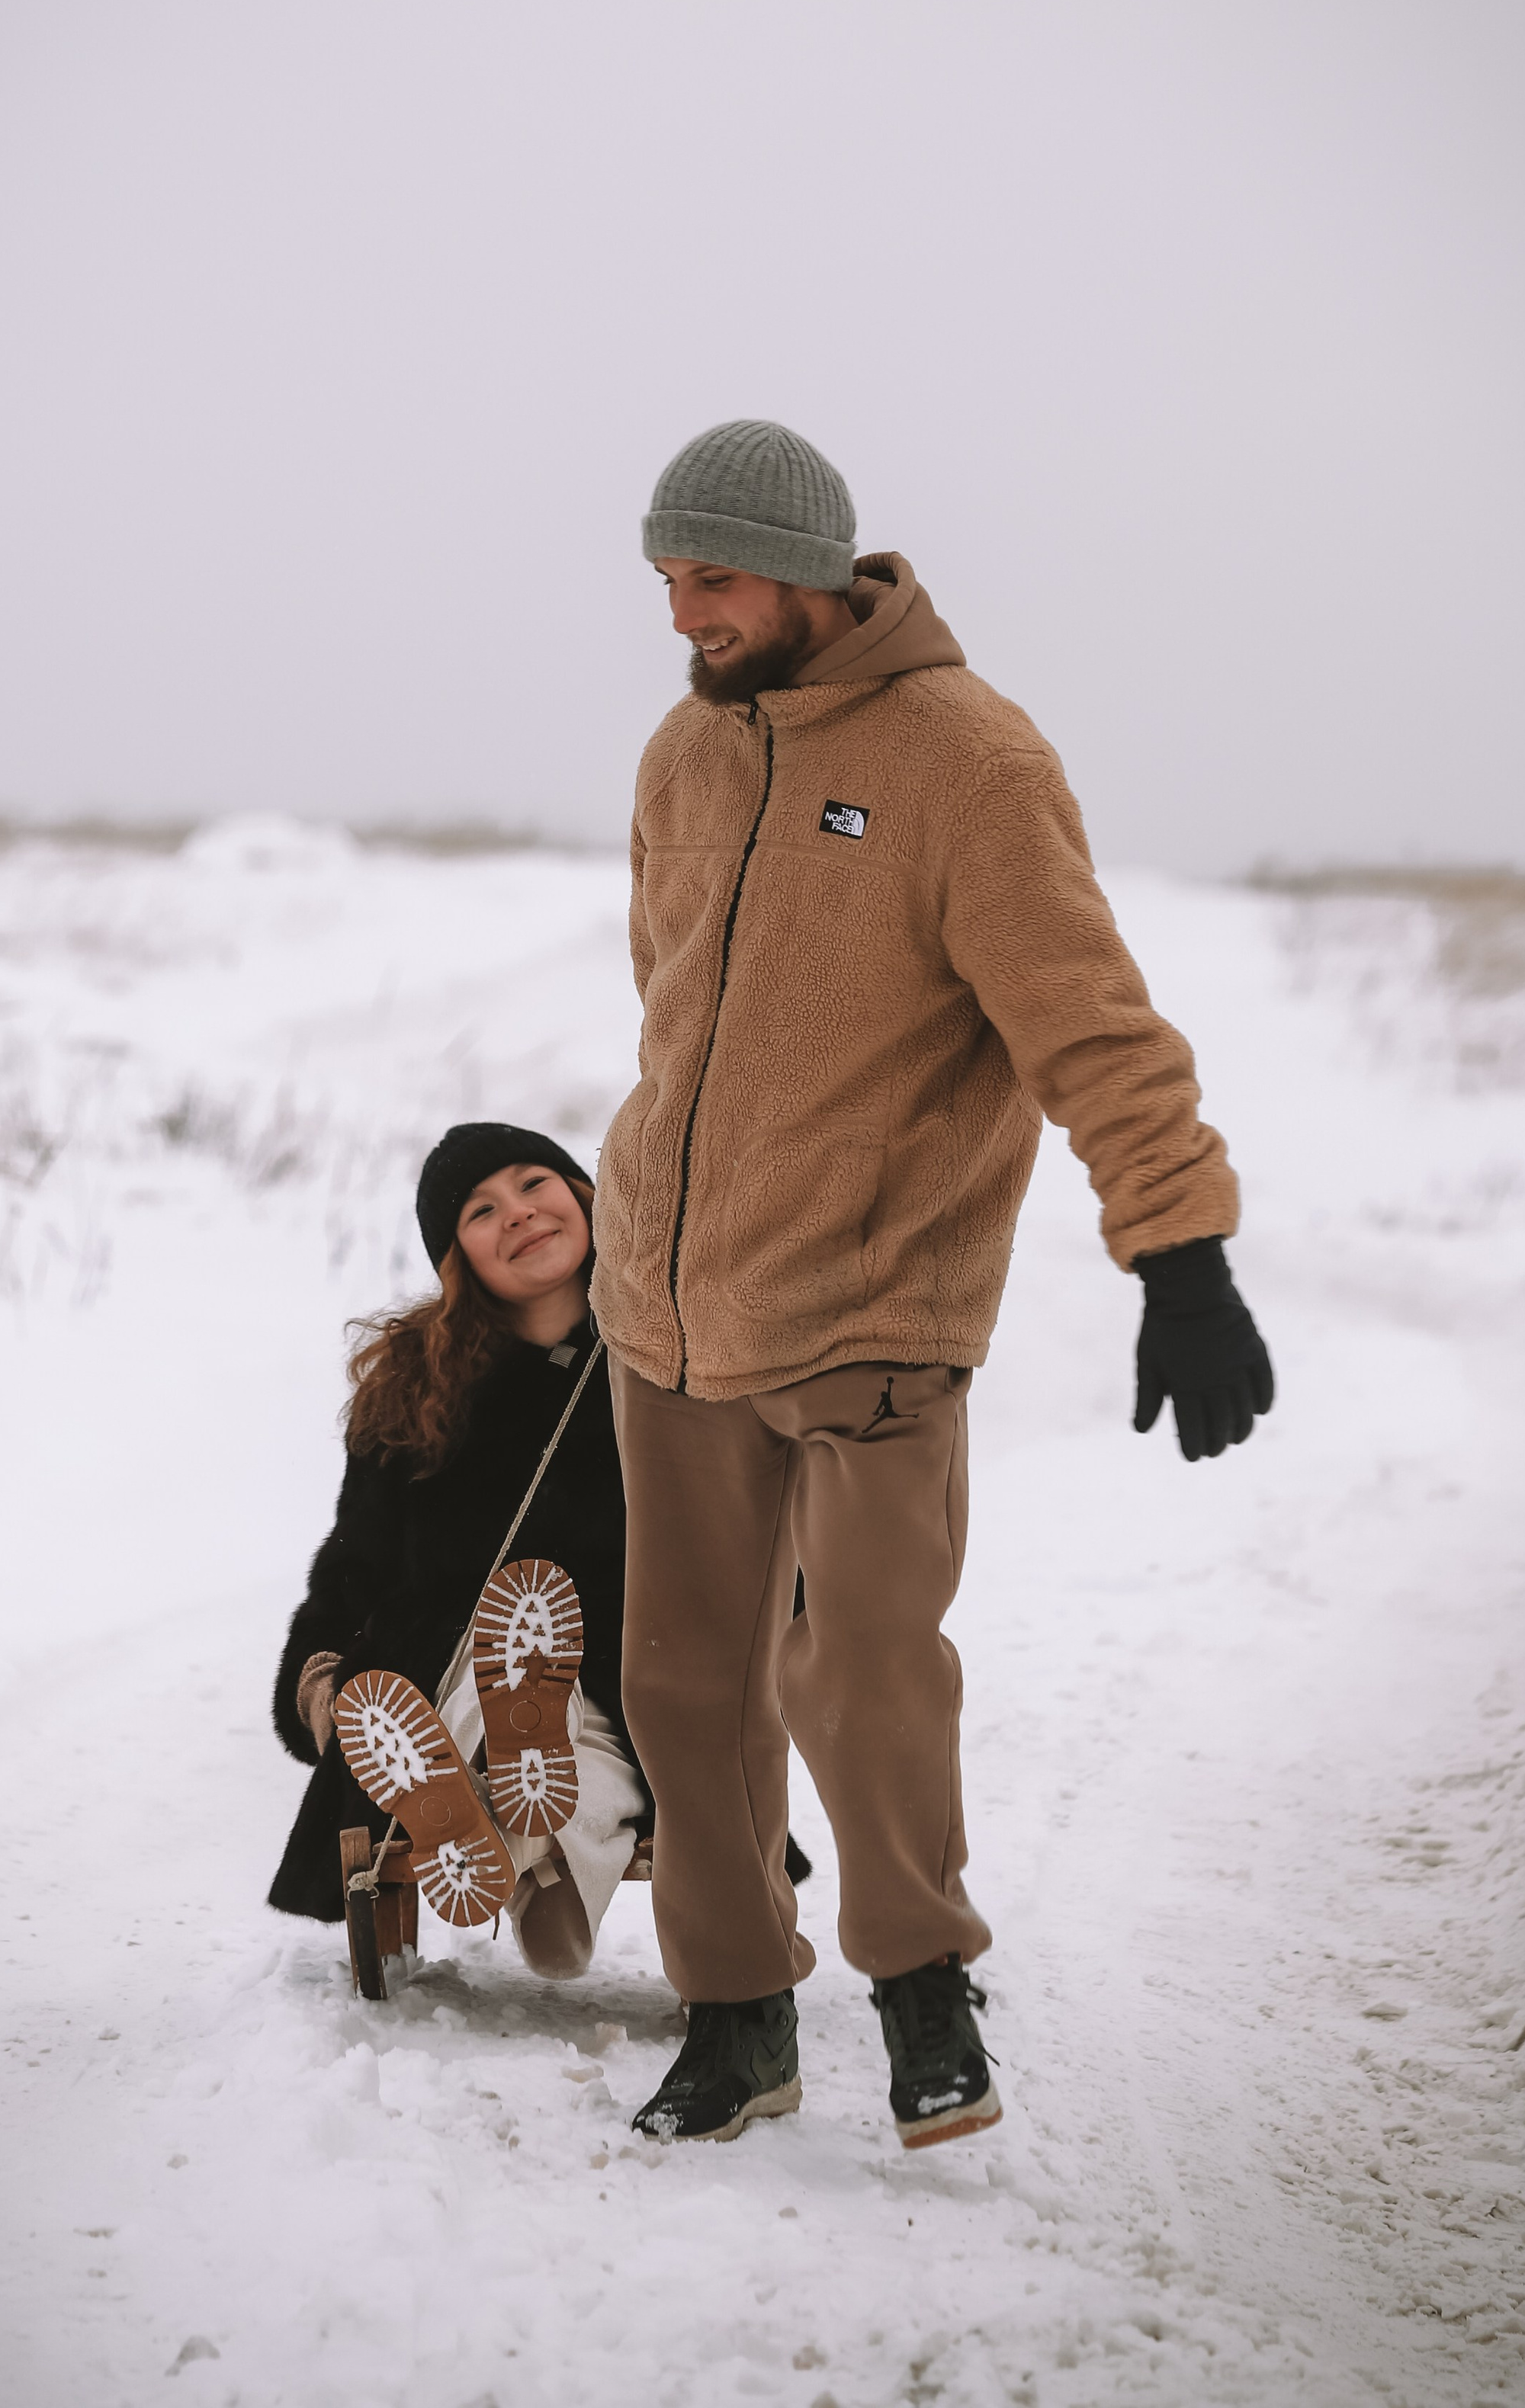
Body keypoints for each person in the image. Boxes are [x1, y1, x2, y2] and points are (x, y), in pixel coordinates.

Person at [590, 418, 1275, 2147]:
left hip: (874, 1298)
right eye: (668, 579)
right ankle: (737, 2013)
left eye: (715, 577)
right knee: (681, 1679)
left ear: (810, 572)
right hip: (668, 1307)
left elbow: (1085, 1021)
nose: (685, 613)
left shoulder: (966, 756)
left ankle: (917, 1984)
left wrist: (1175, 1249)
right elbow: (677, 1019)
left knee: (861, 1661)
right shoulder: (684, 753)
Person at [268, 1123, 650, 1980]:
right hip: (443, 1673)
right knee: (502, 1684)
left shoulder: (664, 1349)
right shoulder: (415, 1382)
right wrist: (319, 1677)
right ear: (456, 1256)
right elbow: (355, 1556)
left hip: (629, 1673)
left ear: (582, 1194)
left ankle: (482, 1820)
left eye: (532, 1183)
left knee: (597, 1744)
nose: (516, 1213)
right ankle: (528, 1843)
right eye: (482, 1210)